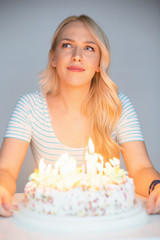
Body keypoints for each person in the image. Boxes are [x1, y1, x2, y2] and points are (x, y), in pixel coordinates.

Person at [0, 15, 160, 217]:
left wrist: (157, 187)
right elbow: (5, 170)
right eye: (67, 45)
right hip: (50, 223)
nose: (77, 55)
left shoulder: (118, 106)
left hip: (107, 223)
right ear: (53, 58)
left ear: (99, 63)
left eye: (89, 48)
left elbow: (141, 169)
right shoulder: (29, 107)